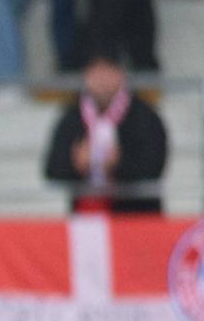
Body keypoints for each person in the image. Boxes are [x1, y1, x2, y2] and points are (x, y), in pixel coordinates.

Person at [42, 52, 168, 213]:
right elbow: (52, 171)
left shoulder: (144, 116)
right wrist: (76, 165)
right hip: (86, 219)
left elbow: (153, 169)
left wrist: (119, 164)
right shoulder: (72, 117)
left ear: (120, 74)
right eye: (95, 72)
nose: (101, 80)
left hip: (136, 219)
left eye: (107, 71)